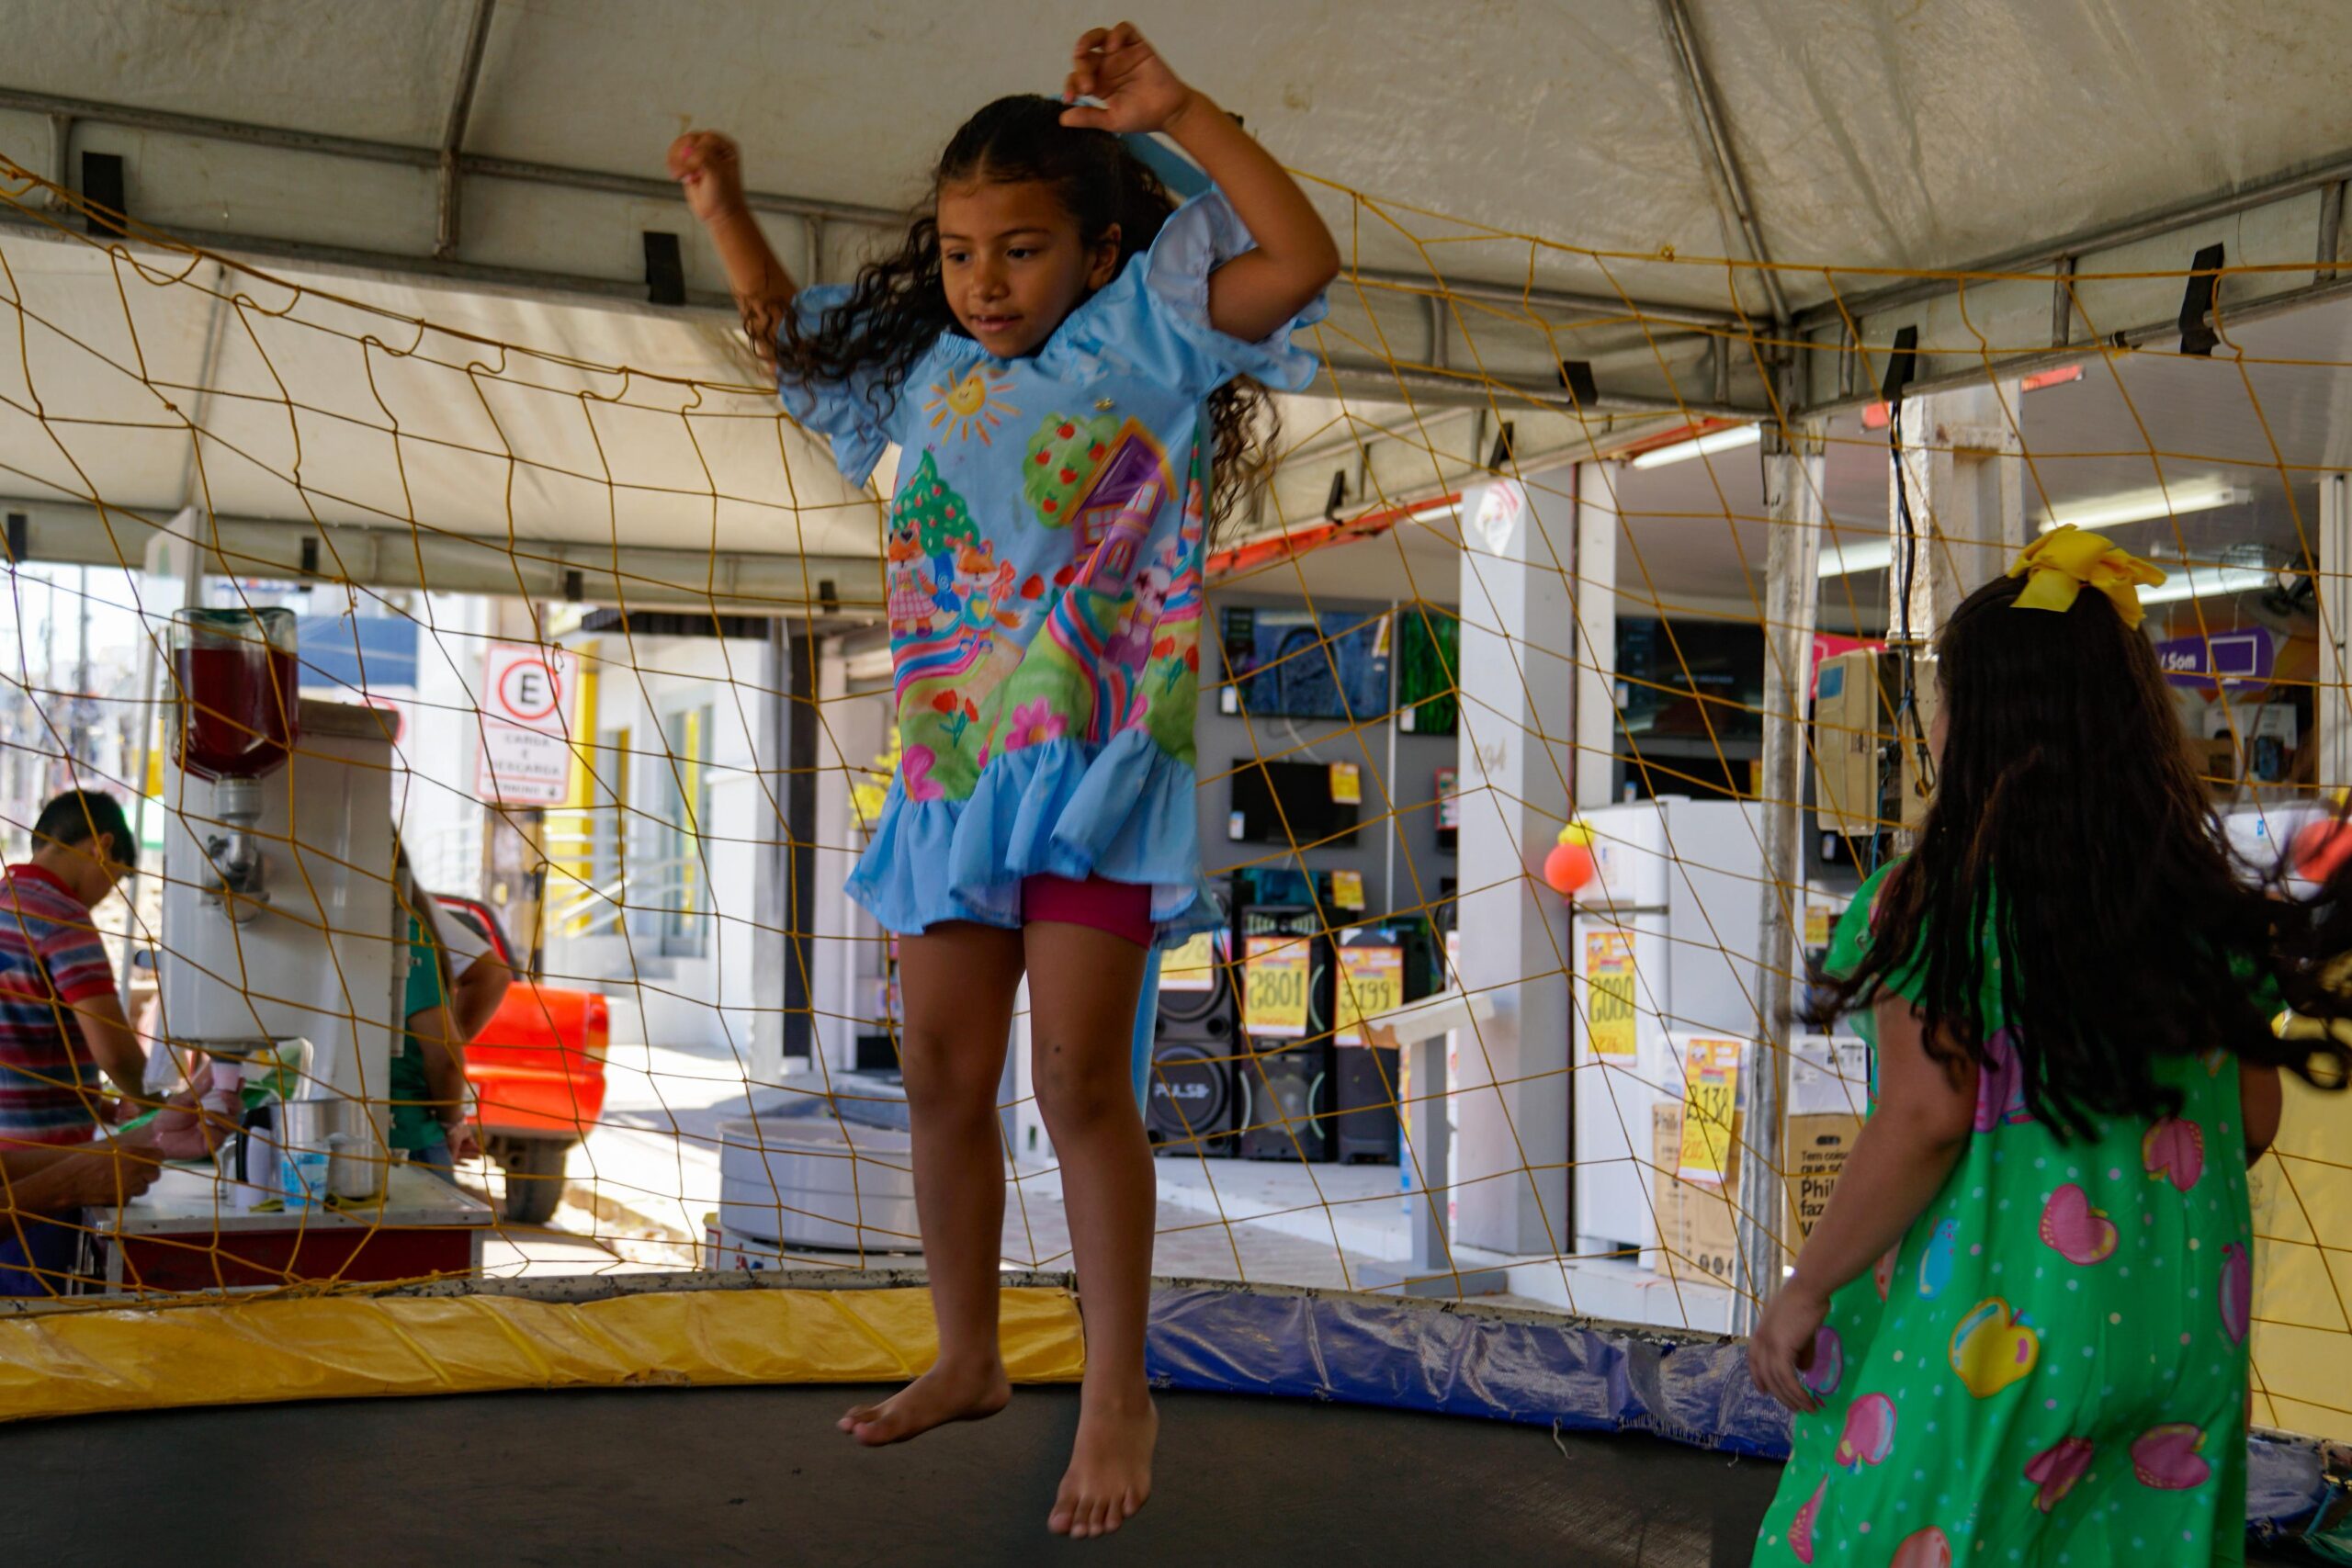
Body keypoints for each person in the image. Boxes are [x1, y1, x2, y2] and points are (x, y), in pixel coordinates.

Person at [670, 23, 1335, 1540]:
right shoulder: (924, 377)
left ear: (1104, 245)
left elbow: (1298, 255)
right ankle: (966, 1350)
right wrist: (723, 205)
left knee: (1078, 1084)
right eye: (964, 251)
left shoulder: (1158, 332)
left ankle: (1117, 1387)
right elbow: (795, 348)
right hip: (949, 767)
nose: (984, 279)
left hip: (1096, 764)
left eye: (1021, 249)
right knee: (943, 1077)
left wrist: (1179, 114)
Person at [1747, 528, 2352, 1562]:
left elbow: (1928, 1116)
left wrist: (1804, 1286)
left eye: (1941, 700)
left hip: (1996, 1330)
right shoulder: (2202, 908)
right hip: (2176, 1326)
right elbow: (2251, 1120)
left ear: (1980, 724)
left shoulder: (1933, 900)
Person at [386, 845, 477, 1177]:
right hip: (397, 1135)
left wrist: (451, 1121)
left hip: (407, 1140)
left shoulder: (402, 931)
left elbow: (445, 1054)